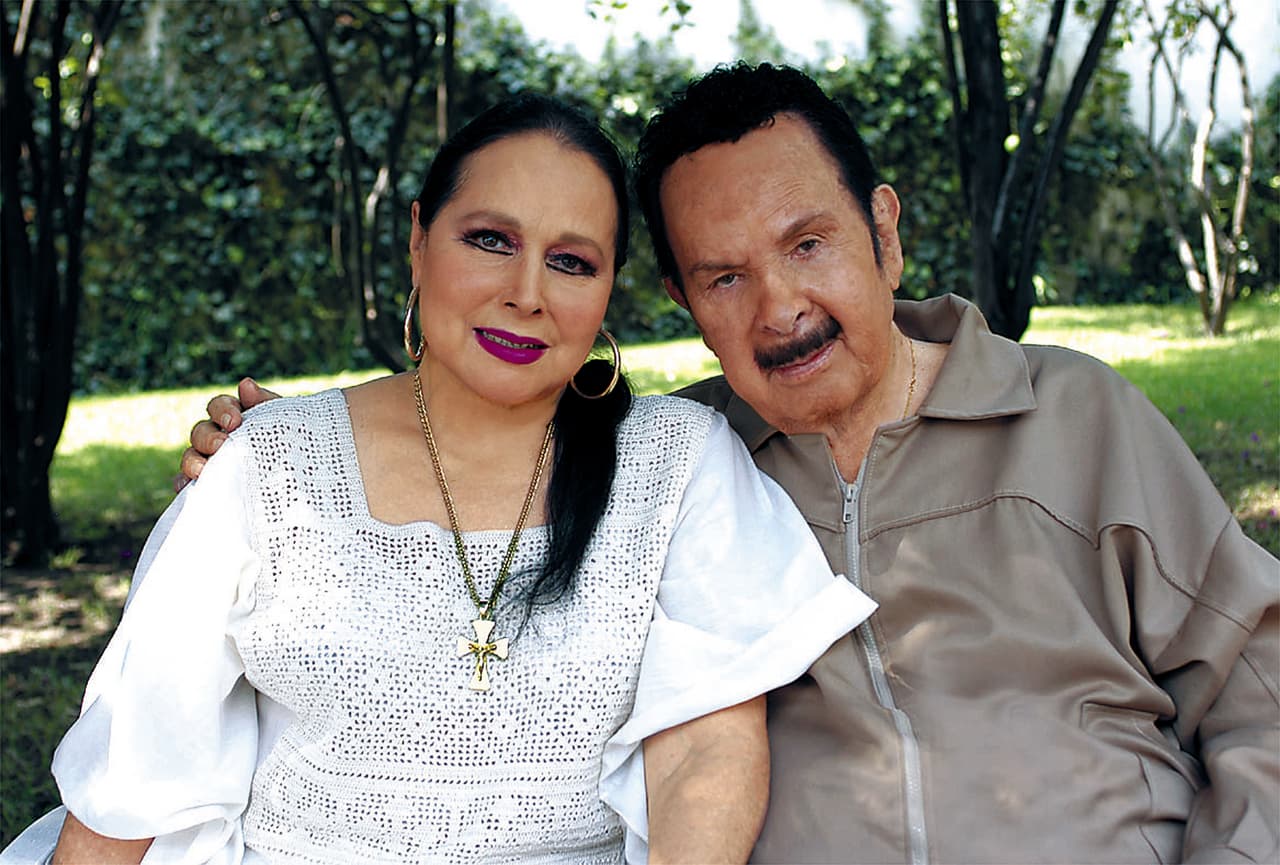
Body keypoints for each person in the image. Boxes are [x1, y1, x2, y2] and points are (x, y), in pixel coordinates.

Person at [184, 64, 1280, 864]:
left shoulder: (1076, 419)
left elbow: (1256, 689)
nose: (780, 307)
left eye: (808, 244)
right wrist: (290, 453)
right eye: (722, 276)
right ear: (680, 303)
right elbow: (470, 455)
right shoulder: (666, 469)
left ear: (882, 233)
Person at [42, 93, 877, 865]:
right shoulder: (270, 469)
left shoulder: (676, 464)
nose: (526, 293)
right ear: (418, 240)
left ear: (609, 289)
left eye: (573, 262)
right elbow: (139, 768)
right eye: (490, 240)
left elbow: (706, 747)